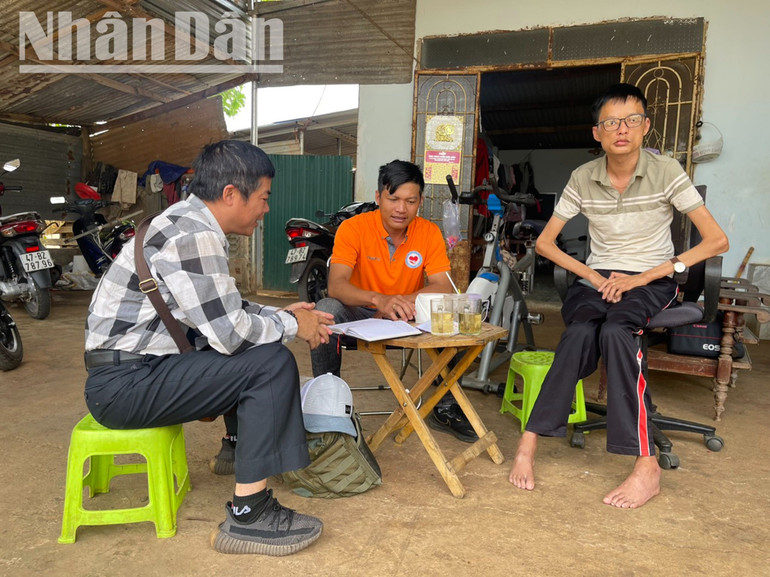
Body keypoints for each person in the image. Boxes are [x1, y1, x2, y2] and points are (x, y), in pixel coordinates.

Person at [84, 140, 334, 556]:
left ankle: (235, 452)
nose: (266, 209)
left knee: (258, 344)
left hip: (128, 375)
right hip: (124, 386)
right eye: (264, 198)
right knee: (269, 362)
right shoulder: (193, 235)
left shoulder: (184, 222)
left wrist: (281, 313)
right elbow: (232, 334)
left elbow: (218, 309)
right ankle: (249, 514)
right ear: (232, 194)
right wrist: (293, 324)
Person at [508, 84, 729, 509]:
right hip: (598, 280)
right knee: (576, 336)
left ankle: (647, 466)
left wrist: (648, 275)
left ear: (645, 126)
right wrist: (595, 275)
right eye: (610, 122)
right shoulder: (582, 178)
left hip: (651, 282)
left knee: (615, 331)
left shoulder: (666, 171)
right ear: (597, 133)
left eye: (631, 120)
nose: (621, 129)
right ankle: (529, 443)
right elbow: (546, 245)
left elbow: (716, 241)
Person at [313, 159, 478, 442]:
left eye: (410, 201)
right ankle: (328, 406)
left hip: (407, 314)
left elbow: (442, 286)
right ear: (378, 197)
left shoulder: (428, 232)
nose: (401, 209)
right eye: (393, 199)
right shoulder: (353, 228)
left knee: (460, 316)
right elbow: (337, 285)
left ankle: (445, 405)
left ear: (420, 202)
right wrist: (380, 301)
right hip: (360, 312)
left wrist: (400, 303)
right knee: (325, 311)